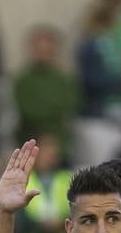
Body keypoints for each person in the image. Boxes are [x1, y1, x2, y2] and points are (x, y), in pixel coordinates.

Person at [13, 26, 80, 155]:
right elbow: (29, 110)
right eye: (40, 48)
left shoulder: (64, 79)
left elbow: (70, 103)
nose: (44, 52)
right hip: (32, 139)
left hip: (60, 139)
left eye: (47, 48)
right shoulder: (23, 80)